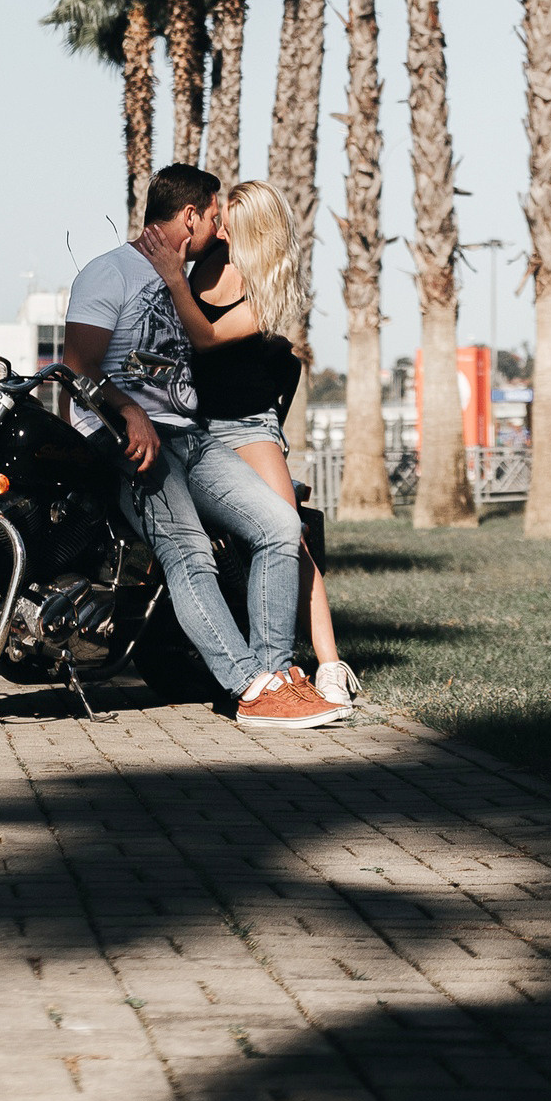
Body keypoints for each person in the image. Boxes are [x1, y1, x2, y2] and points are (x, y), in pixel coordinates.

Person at [60, 165, 349, 729]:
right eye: (217, 218)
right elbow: (77, 369)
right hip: (128, 436)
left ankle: (279, 675)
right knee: (188, 550)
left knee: (282, 527)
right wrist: (128, 411)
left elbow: (209, 336)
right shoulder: (108, 274)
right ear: (190, 216)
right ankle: (250, 685)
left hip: (191, 435)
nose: (221, 231)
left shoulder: (186, 282)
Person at [136, 180, 359, 706]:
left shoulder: (266, 288)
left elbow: (205, 337)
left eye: (227, 212)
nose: (217, 219)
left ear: (250, 224)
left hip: (244, 425)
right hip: (190, 423)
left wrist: (172, 281)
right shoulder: (207, 256)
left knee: (288, 534)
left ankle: (329, 664)